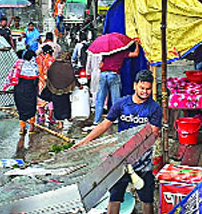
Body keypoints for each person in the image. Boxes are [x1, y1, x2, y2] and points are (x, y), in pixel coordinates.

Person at [74, 70, 162, 214]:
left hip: (142, 162)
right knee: (115, 197)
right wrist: (85, 141)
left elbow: (153, 134)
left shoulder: (154, 108)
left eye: (148, 89)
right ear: (135, 86)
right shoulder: (122, 104)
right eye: (142, 88)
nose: (145, 92)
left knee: (147, 199)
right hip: (120, 160)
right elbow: (105, 124)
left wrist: (135, 152)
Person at [94, 42, 140, 124]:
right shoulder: (122, 52)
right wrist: (137, 44)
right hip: (114, 74)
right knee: (115, 98)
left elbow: (100, 66)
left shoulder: (107, 53)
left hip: (103, 75)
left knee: (100, 99)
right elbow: (135, 54)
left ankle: (97, 120)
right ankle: (116, 119)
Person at [7, 49, 39, 135]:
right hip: (30, 90)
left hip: (19, 89)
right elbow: (36, 80)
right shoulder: (34, 66)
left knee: (21, 109)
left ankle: (22, 129)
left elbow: (12, 76)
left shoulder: (18, 65)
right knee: (31, 108)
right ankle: (31, 128)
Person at [36, 44, 56, 125]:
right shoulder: (52, 60)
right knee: (51, 99)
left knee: (40, 100)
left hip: (40, 82)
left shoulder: (38, 59)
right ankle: (50, 116)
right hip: (50, 82)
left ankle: (41, 116)